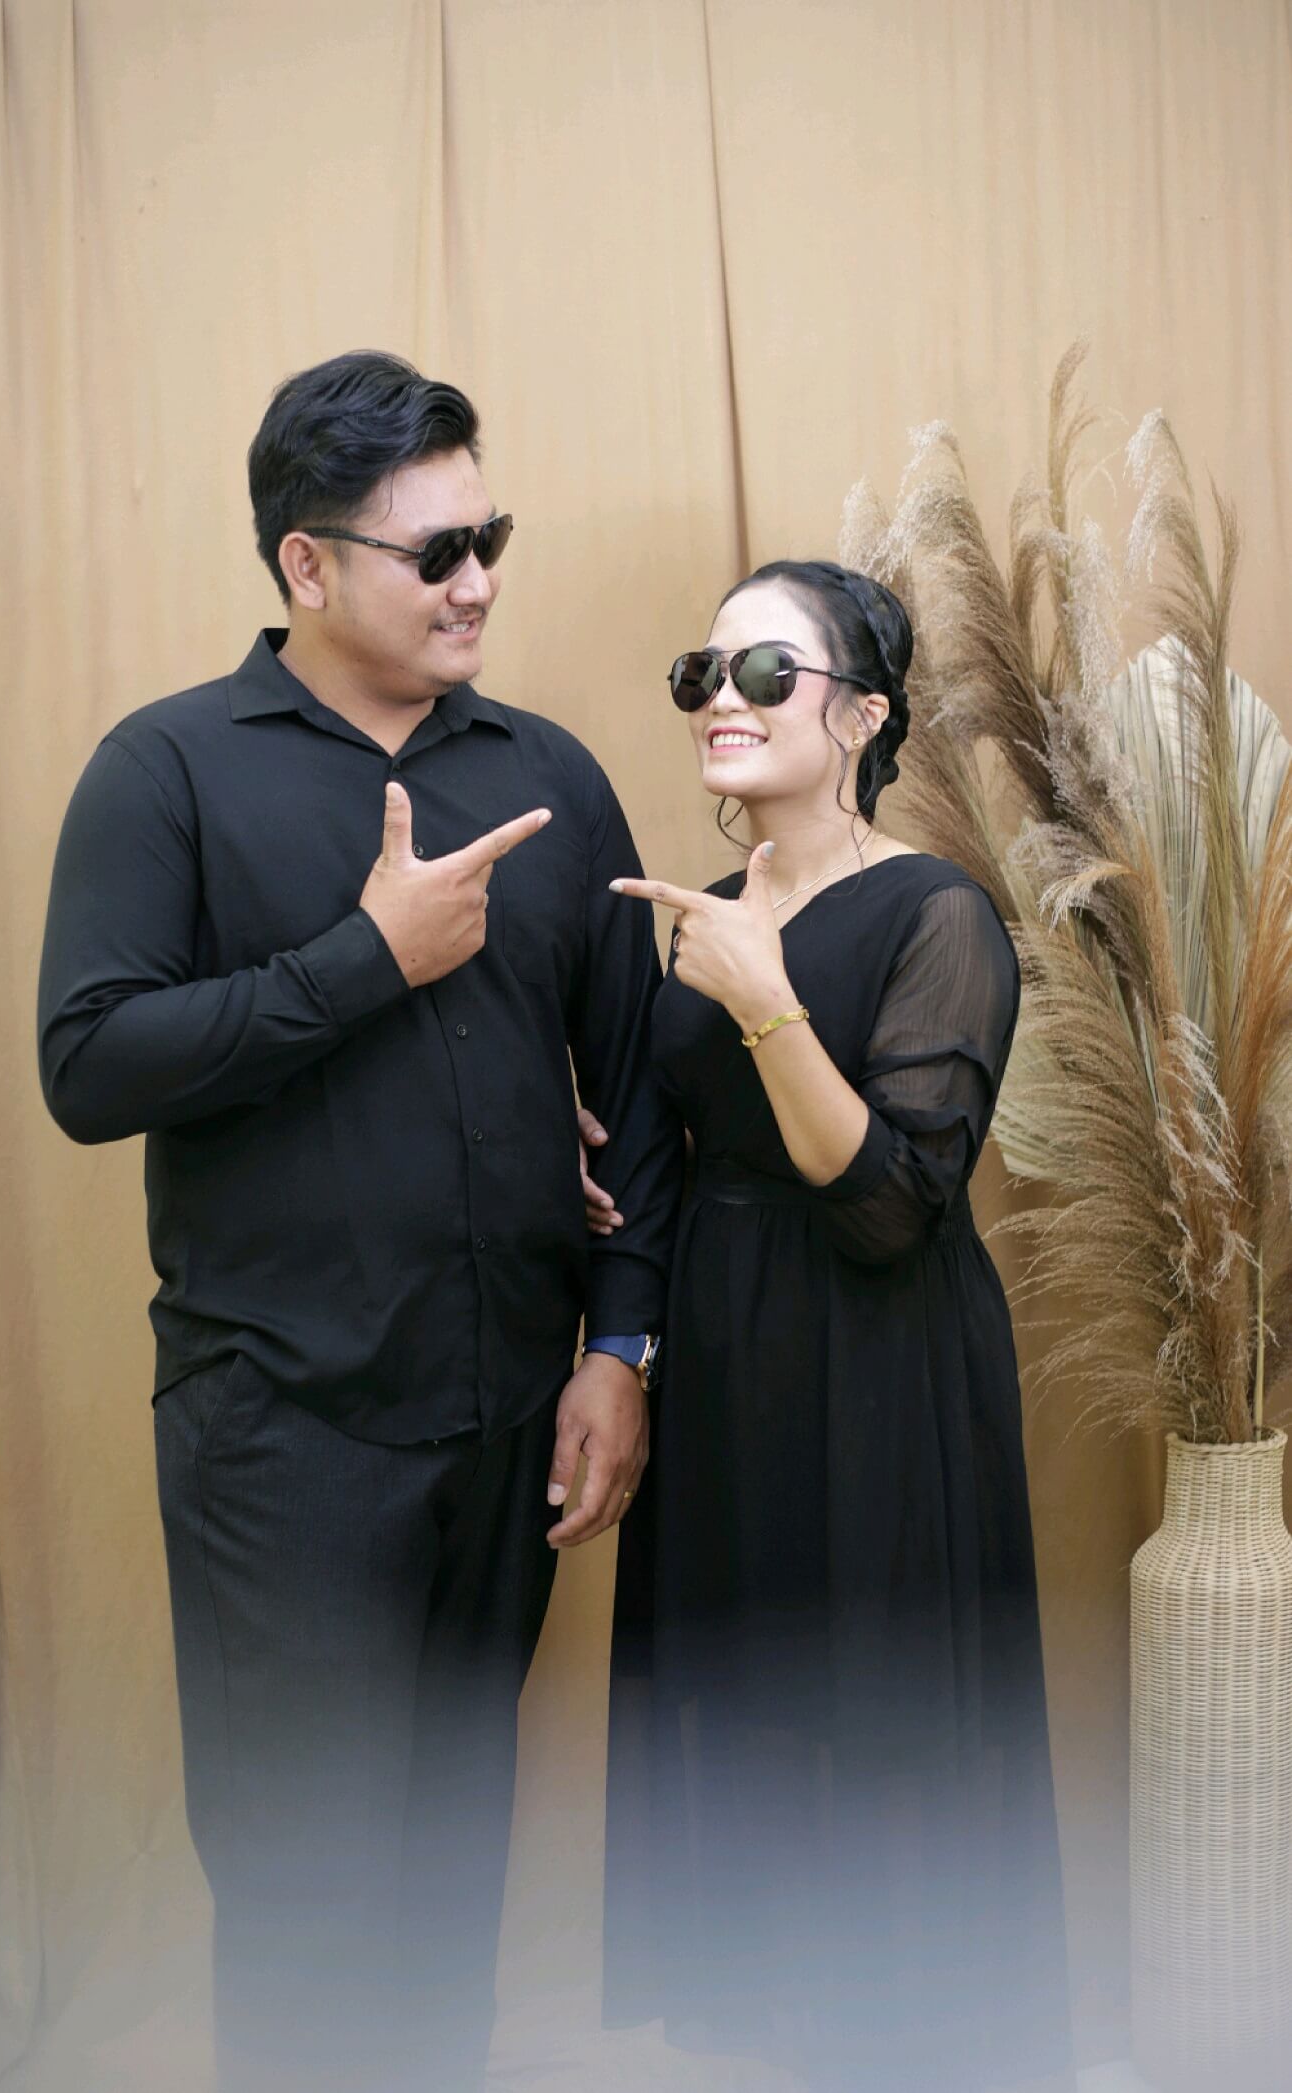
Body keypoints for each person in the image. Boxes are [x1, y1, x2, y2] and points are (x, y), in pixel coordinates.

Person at [36, 350, 682, 2093]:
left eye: (492, 539)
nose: (479, 583)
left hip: (506, 1424)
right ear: (306, 564)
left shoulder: (551, 776)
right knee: (309, 1906)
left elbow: (634, 1088)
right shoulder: (165, 769)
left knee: (448, 1891)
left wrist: (619, 1346)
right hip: (281, 1435)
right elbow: (87, 1064)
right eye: (435, 552)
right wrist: (366, 960)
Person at [600, 561, 1074, 2091]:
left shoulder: (941, 912)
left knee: (874, 1742)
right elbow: (678, 1151)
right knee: (753, 1743)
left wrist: (762, 1000)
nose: (720, 703)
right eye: (704, 674)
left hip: (879, 1366)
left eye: (763, 673)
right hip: (729, 1364)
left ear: (863, 717)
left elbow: (883, 1203)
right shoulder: (709, 913)